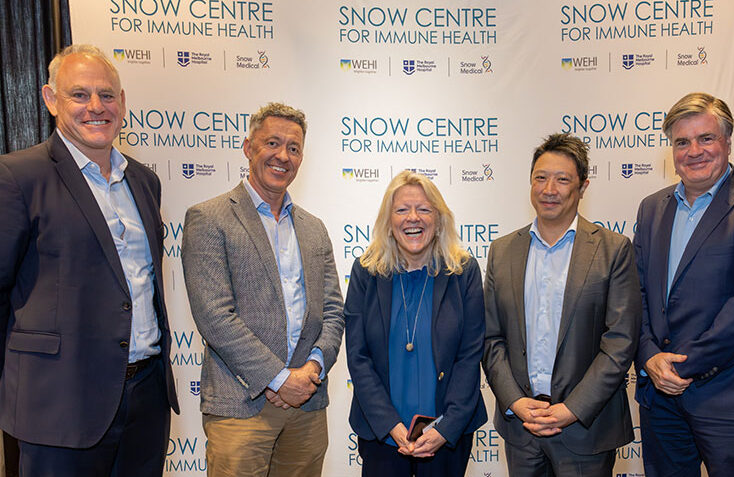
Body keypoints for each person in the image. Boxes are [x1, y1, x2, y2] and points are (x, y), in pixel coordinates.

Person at [0, 44, 179, 476]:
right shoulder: (18, 176)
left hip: (145, 399)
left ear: (122, 102)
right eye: (79, 95)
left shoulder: (144, 180)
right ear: (50, 99)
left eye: (107, 95)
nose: (96, 107)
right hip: (59, 405)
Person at [634, 92, 734, 477]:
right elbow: (635, 293)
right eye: (682, 142)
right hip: (659, 398)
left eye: (706, 138)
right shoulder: (652, 208)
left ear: (727, 141)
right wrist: (648, 356)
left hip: (731, 400)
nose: (694, 151)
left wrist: (682, 368)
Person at [181, 102, 345, 477]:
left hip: (307, 403)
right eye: (272, 143)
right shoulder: (210, 218)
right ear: (248, 147)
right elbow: (214, 316)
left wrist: (312, 370)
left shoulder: (314, 227)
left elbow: (333, 311)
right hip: (242, 405)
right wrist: (278, 378)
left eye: (293, 148)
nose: (282, 156)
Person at [482, 133, 641, 476]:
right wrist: (516, 401)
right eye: (540, 177)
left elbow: (620, 342)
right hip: (521, 429)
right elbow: (491, 340)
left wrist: (572, 409)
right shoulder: (502, 251)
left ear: (583, 187)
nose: (549, 189)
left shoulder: (614, 250)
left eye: (562, 179)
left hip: (585, 428)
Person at [345, 170, 487, 477]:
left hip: (447, 434)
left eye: (424, 209)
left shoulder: (463, 271)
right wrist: (390, 426)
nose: (413, 218)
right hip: (381, 433)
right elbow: (358, 357)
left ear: (438, 219)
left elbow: (470, 355)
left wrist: (445, 428)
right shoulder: (366, 272)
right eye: (402, 210)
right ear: (389, 221)